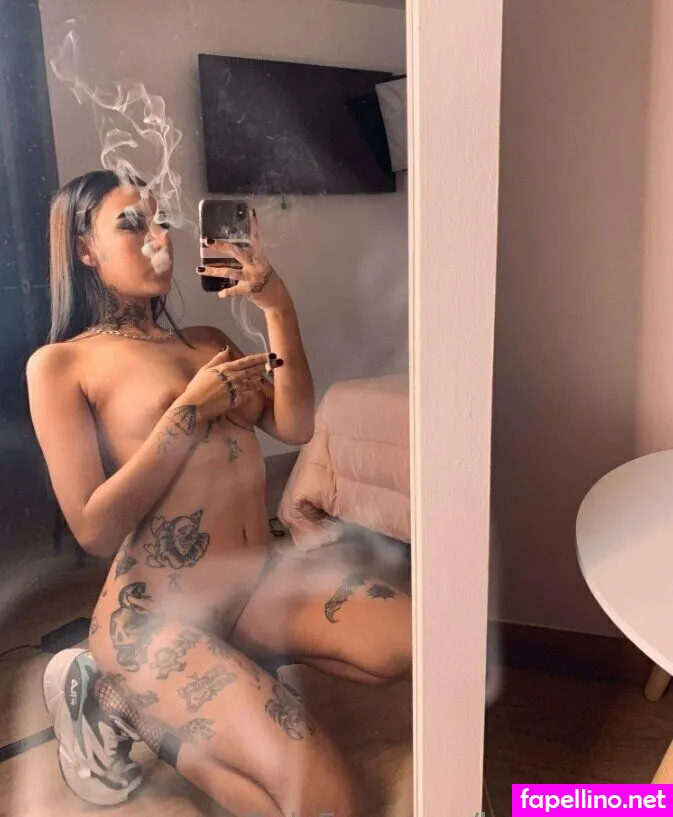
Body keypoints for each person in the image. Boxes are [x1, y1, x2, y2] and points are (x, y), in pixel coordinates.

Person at [26, 170, 411, 816]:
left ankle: (214, 679)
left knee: (411, 639)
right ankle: (123, 702)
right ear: (85, 249)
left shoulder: (205, 341)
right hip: (155, 618)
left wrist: (276, 305)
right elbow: (93, 528)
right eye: (131, 224)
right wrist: (188, 411)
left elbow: (295, 424)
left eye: (160, 221)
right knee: (329, 801)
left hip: (254, 585)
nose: (158, 238)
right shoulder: (62, 365)